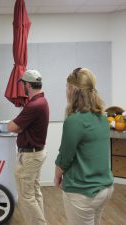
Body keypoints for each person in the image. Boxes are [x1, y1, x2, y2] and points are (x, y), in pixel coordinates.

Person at [54, 68, 114, 225]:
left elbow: (65, 157)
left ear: (73, 90)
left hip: (82, 192)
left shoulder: (74, 121)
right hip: (104, 189)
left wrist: (57, 176)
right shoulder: (102, 117)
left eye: (67, 87)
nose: (66, 91)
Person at [7, 69, 49, 225]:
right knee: (35, 193)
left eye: (23, 84)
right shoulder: (41, 101)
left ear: (28, 85)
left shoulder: (33, 105)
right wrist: (20, 127)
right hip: (36, 154)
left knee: (26, 196)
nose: (22, 87)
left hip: (30, 156)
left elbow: (12, 127)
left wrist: (18, 126)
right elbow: (18, 127)